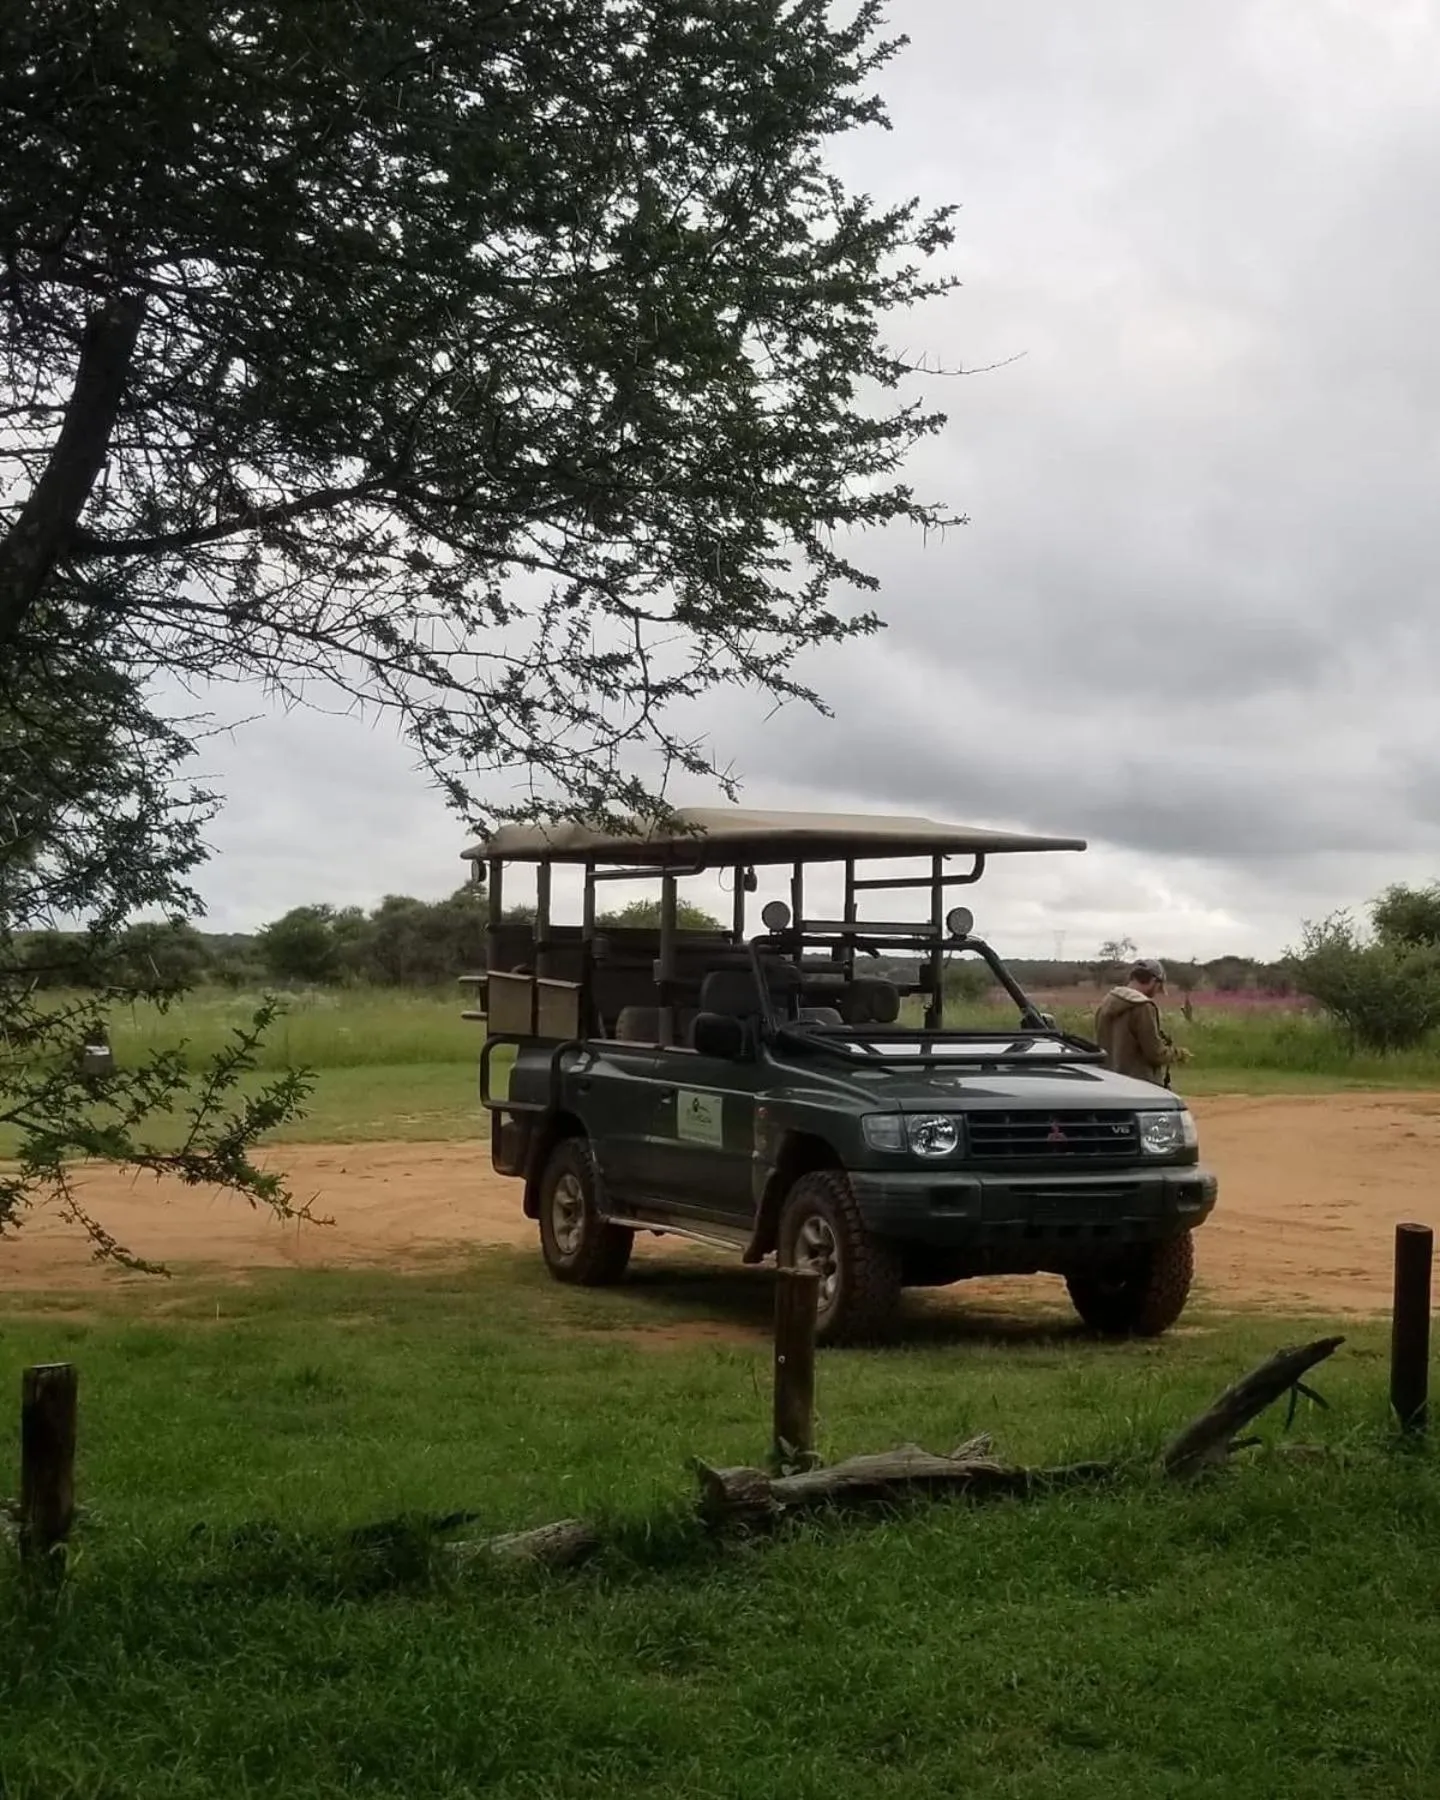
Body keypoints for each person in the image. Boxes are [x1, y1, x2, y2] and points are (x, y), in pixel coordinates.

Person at [1094, 957, 1188, 1086]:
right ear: (1154, 981)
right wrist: (1177, 1054)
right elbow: (1155, 1054)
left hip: (1110, 1082)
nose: (1157, 992)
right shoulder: (1143, 1007)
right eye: (1159, 987)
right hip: (1140, 1085)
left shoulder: (1106, 1002)